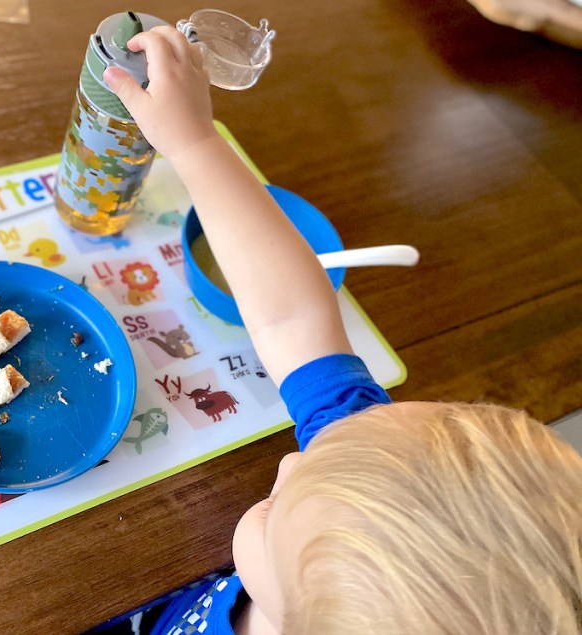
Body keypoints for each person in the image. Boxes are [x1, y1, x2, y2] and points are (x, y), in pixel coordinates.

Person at [89, 26, 582, 635]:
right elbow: (294, 317)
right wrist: (194, 143)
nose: (295, 462)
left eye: (276, 509)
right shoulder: (370, 475)